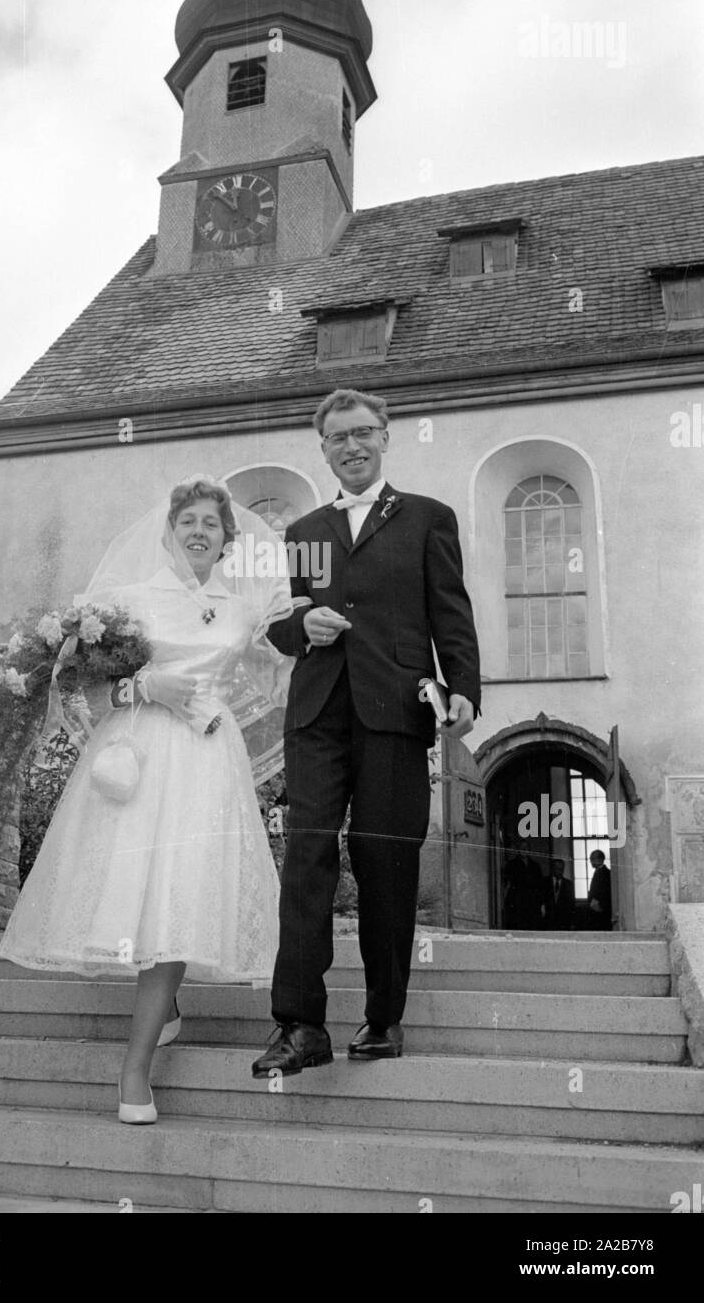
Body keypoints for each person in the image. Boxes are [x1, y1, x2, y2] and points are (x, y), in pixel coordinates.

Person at [0, 479, 294, 1123]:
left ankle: (134, 1071)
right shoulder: (127, 602)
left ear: (226, 539)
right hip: (138, 758)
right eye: (188, 520)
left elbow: (283, 674)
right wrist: (144, 687)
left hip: (208, 761)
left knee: (180, 895)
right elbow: (81, 692)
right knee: (137, 892)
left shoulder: (243, 611)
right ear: (170, 528)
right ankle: (166, 1012)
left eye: (211, 524)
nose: (198, 531)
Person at [252, 388, 482, 1078]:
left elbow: (450, 610)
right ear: (322, 449)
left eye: (361, 434)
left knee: (384, 863)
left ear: (384, 437)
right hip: (317, 714)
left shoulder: (424, 520)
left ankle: (382, 1018)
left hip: (396, 711)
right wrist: (304, 627)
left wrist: (463, 688)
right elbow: (281, 620)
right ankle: (298, 1025)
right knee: (306, 860)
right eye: (335, 439)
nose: (349, 447)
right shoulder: (307, 534)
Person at [501, 836, 544, 930]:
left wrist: (541, 904)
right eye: (522, 847)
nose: (524, 849)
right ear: (518, 849)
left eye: (526, 847)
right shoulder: (511, 865)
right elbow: (506, 884)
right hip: (517, 901)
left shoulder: (535, 866)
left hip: (532, 902)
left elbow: (540, 886)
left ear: (529, 850)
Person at [541, 857, 576, 930]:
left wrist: (572, 922)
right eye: (557, 868)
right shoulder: (544, 882)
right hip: (547, 922)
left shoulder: (569, 884)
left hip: (563, 923)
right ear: (552, 868)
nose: (560, 871)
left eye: (561, 869)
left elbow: (572, 905)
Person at [587, 849, 613, 930]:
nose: (591, 861)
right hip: (597, 910)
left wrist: (598, 906)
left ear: (600, 859)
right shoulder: (599, 872)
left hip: (601, 910)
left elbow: (604, 892)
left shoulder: (605, 873)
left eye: (592, 859)